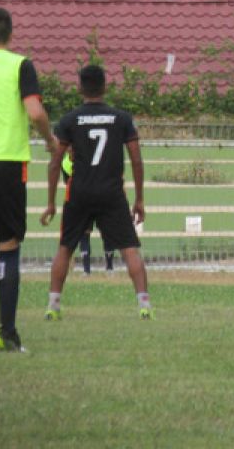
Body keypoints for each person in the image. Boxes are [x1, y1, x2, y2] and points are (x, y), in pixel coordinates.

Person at [0, 7, 56, 352]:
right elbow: (34, 111)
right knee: (7, 246)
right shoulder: (21, 65)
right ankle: (6, 331)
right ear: (11, 35)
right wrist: (49, 140)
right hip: (6, 163)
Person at [41, 65, 152, 320]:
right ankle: (144, 305)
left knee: (65, 247)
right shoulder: (121, 119)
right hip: (111, 193)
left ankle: (53, 306)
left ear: (80, 87)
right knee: (129, 248)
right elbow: (136, 159)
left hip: (79, 192)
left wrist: (50, 202)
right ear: (105, 87)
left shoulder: (69, 120)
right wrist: (139, 198)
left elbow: (56, 161)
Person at [62, 154, 115, 275]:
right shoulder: (67, 163)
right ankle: (88, 270)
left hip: (95, 197)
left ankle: (109, 268)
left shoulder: (74, 159)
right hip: (85, 199)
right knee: (85, 234)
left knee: (105, 232)